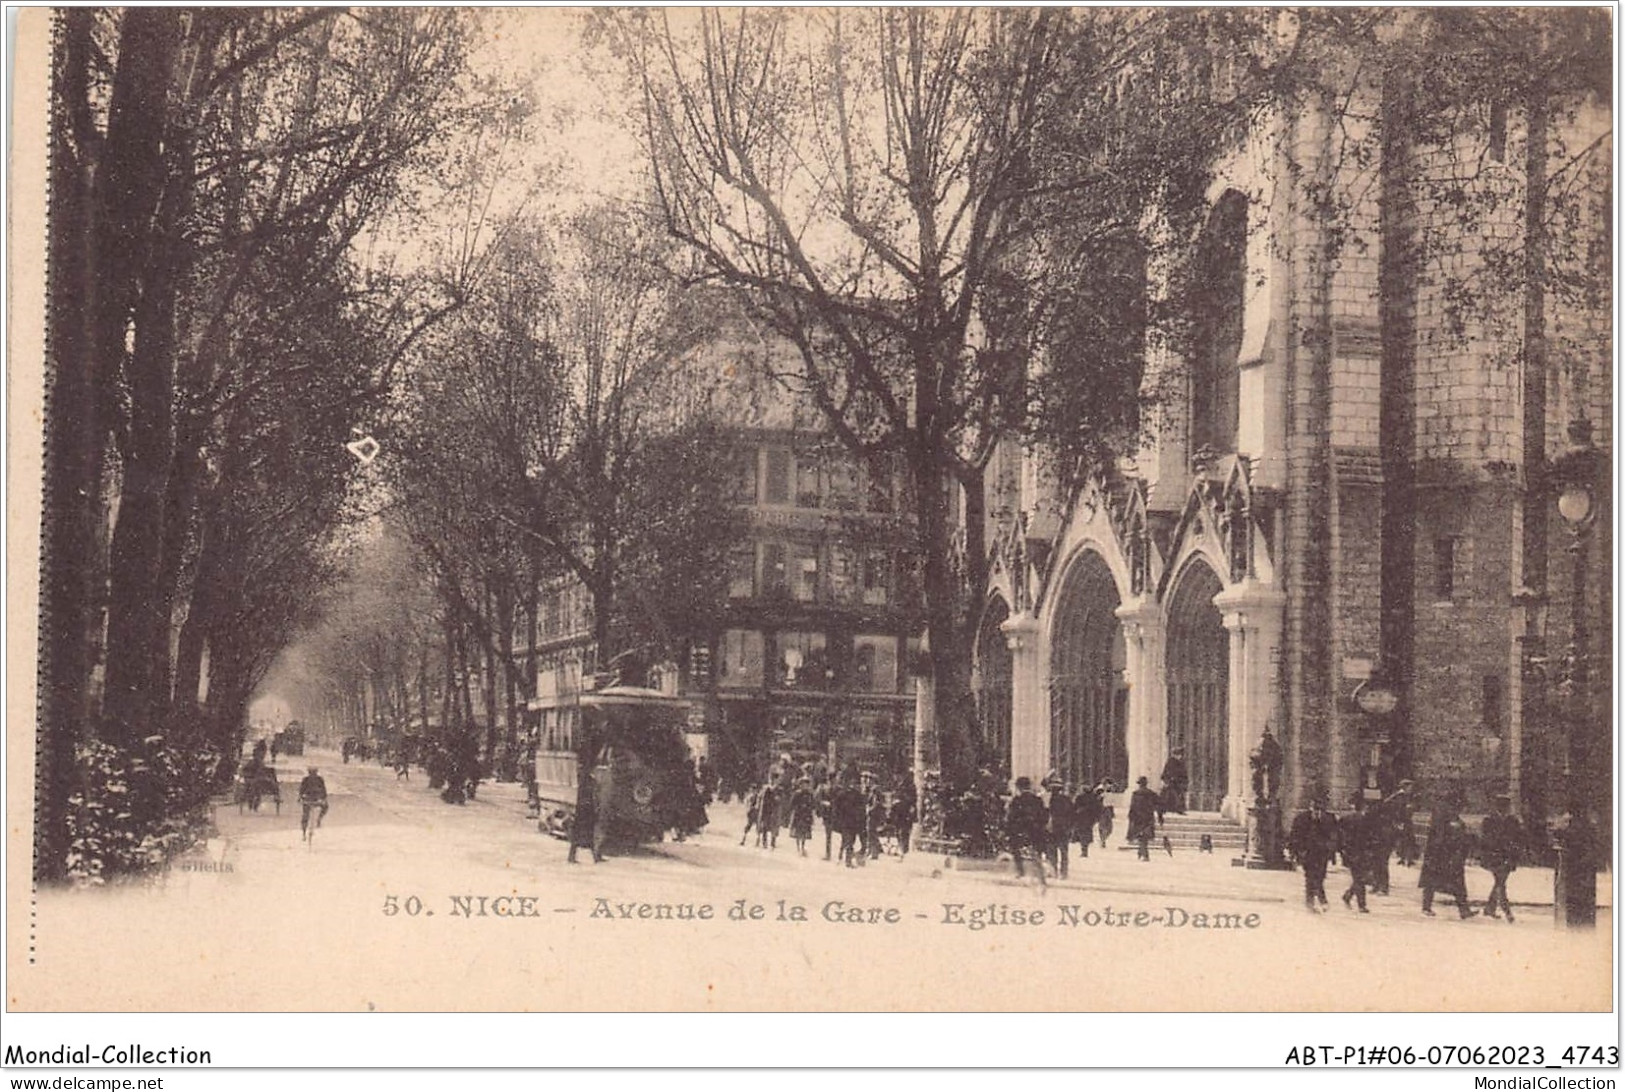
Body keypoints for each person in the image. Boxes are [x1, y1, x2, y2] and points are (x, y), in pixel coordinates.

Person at [1420, 795, 1476, 919]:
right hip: (1441, 855)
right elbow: (1442, 836)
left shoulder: (1449, 815)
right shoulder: (1444, 815)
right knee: (1435, 882)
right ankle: (1427, 907)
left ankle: (1463, 910)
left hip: (1446, 855)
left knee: (1453, 883)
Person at [1289, 789, 1339, 911]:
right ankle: (1313, 902)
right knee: (1310, 877)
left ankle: (1318, 901)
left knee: (1320, 877)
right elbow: (1294, 836)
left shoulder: (1330, 818)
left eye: (1319, 807)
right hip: (1307, 853)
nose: (1317, 810)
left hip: (1323, 853)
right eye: (1314, 807)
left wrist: (1332, 853)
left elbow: (1334, 836)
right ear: (1310, 806)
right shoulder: (1301, 818)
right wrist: (1295, 853)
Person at [1479, 793, 1522, 922]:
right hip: (1494, 856)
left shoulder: (1513, 821)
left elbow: (1518, 838)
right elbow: (1486, 839)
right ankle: (1506, 910)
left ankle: (1490, 908)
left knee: (1500, 882)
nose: (1505, 808)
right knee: (1500, 883)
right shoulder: (1489, 820)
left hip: (1508, 857)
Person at [1005, 777, 1047, 884]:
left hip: (1020, 830)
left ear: (1018, 787)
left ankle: (1020, 870)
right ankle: (1039, 871)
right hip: (1035, 830)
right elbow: (1043, 815)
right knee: (1037, 851)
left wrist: (1008, 829)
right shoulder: (1037, 800)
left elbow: (1011, 817)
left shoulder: (1016, 800)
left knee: (1015, 848)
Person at [1338, 794, 1376, 912]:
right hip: (1360, 853)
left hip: (1352, 853)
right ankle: (1361, 905)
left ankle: (1348, 896)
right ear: (1364, 807)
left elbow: (1340, 836)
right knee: (1360, 878)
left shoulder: (1345, 819)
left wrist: (1342, 850)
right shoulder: (1366, 820)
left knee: (1360, 878)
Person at [1043, 775, 1075, 879]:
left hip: (1051, 828)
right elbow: (1072, 814)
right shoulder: (1066, 799)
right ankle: (1064, 872)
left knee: (1051, 851)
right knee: (1064, 852)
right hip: (1063, 828)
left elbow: (1045, 813)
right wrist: (1070, 827)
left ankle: (1053, 871)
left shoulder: (1048, 800)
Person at [832, 776, 866, 868]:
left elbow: (861, 809)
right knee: (849, 841)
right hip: (847, 821)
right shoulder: (843, 794)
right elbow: (836, 807)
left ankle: (842, 857)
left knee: (849, 840)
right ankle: (847, 860)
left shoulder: (857, 795)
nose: (854, 786)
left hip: (852, 822)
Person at [1127, 776, 1160, 862]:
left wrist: (1131, 817)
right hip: (1148, 817)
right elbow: (1158, 805)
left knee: (1141, 836)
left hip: (1138, 818)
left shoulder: (1135, 794)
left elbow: (1132, 807)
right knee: (1144, 836)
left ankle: (1144, 854)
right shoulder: (1152, 794)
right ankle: (1141, 852)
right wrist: (1159, 816)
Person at [297, 766, 329, 842]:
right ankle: (304, 833)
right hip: (309, 799)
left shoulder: (319, 779)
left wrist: (323, 798)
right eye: (312, 773)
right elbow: (301, 791)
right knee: (305, 815)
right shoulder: (307, 780)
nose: (313, 775)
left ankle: (319, 819)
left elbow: (324, 791)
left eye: (314, 773)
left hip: (315, 799)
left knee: (325, 807)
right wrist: (300, 798)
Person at [1072, 781, 1101, 859]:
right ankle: (1084, 850)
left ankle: (1084, 850)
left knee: (1083, 834)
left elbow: (1074, 807)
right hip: (1088, 819)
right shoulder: (1093, 797)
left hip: (1082, 818)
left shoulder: (1080, 797)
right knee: (1085, 833)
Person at [788, 777, 815, 857]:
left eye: (807, 784)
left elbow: (812, 805)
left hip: (806, 815)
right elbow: (792, 804)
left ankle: (803, 846)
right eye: (803, 784)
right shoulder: (797, 794)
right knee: (798, 831)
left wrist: (811, 815)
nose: (805, 786)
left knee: (804, 832)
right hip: (798, 814)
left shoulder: (810, 794)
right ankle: (798, 847)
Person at [889, 777, 917, 857]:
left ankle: (903, 849)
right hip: (899, 812)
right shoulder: (898, 785)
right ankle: (901, 847)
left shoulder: (910, 787)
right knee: (898, 831)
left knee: (904, 832)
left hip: (906, 812)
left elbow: (913, 800)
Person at [1160, 747, 1189, 816]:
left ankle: (1179, 809)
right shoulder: (1170, 762)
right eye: (1178, 755)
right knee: (1169, 795)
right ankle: (1165, 809)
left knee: (1178, 796)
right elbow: (1166, 773)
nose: (1179, 756)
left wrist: (1184, 781)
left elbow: (1184, 773)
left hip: (1178, 783)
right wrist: (1167, 780)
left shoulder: (1181, 763)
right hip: (1171, 782)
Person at [1096, 782, 1116, 848]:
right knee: (1106, 827)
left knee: (1105, 827)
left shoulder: (1105, 795)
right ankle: (1103, 839)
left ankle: (1103, 839)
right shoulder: (1105, 795)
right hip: (1105, 810)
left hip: (1106, 810)